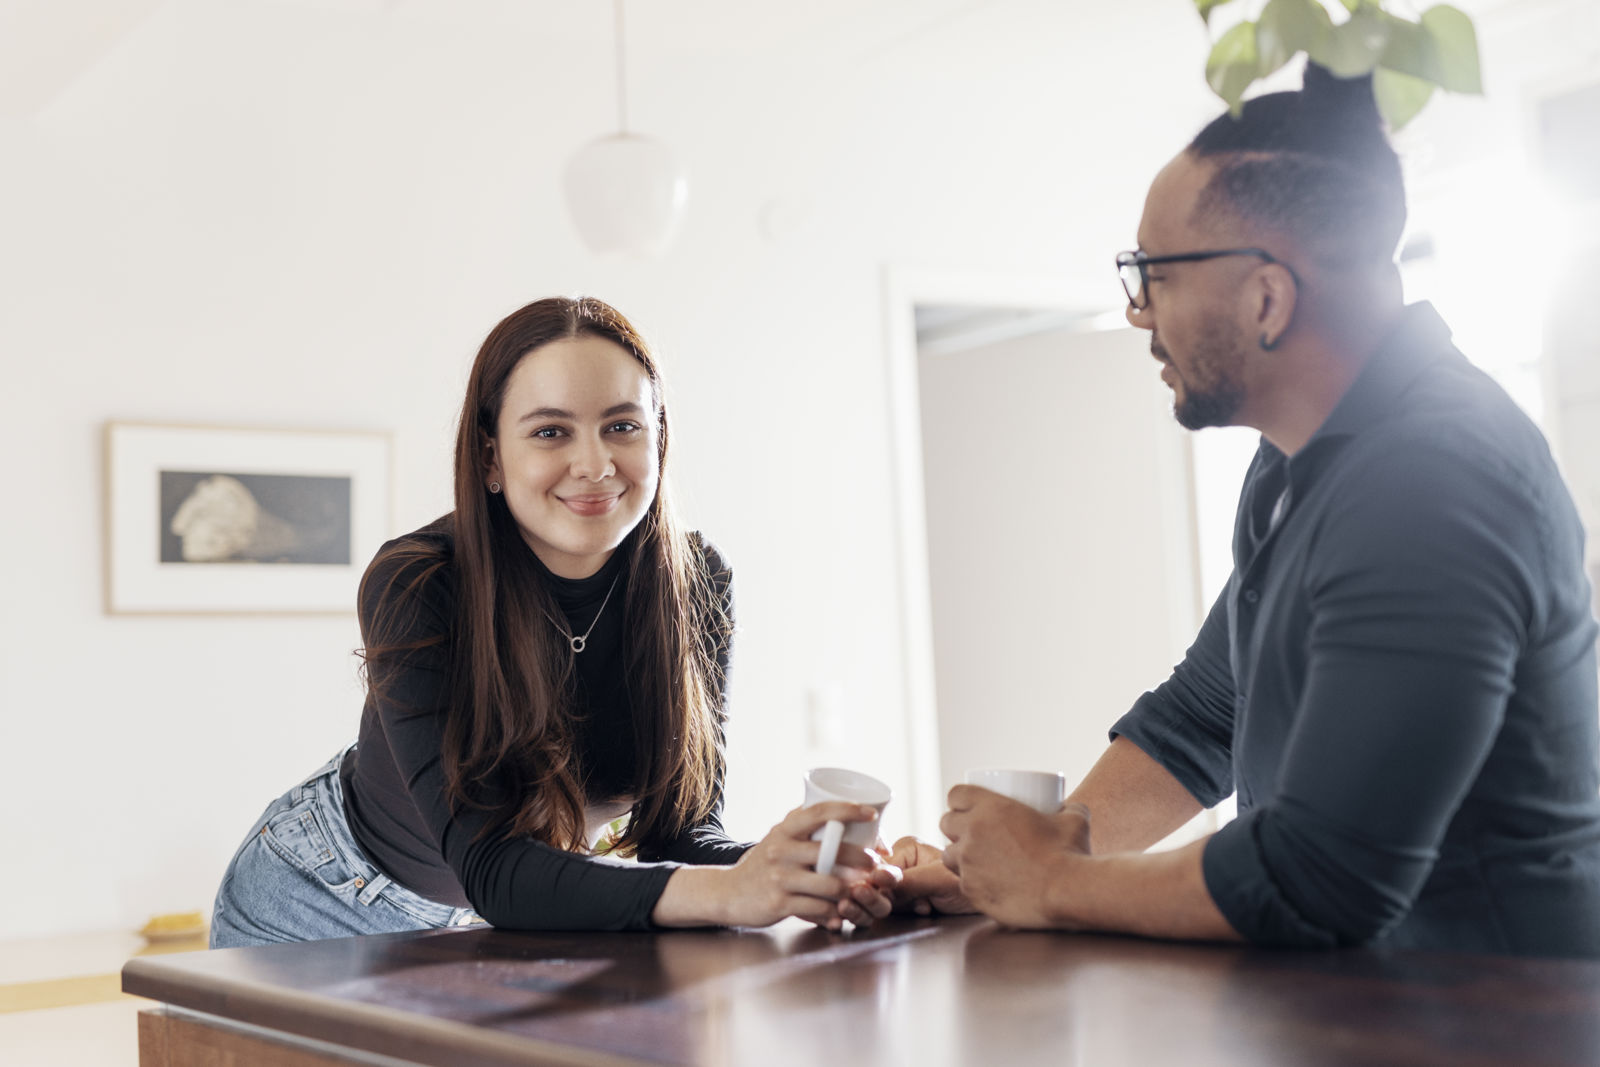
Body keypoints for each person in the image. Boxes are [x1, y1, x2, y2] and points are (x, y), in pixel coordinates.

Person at [896, 65, 1600, 957]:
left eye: (1154, 276)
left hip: (1490, 1020)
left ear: (1267, 297)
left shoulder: (1434, 480)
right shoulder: (1298, 458)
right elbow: (1207, 715)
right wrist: (1021, 865)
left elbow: (1318, 878)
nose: (1135, 312)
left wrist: (1052, 882)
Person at [212, 296, 895, 947]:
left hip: (523, 913)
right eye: (550, 431)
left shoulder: (698, 581)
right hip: (320, 898)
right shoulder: (418, 583)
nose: (595, 464)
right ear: (490, 458)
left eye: (622, 425)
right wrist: (732, 893)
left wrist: (803, 875)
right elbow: (494, 868)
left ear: (660, 438)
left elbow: (681, 834)